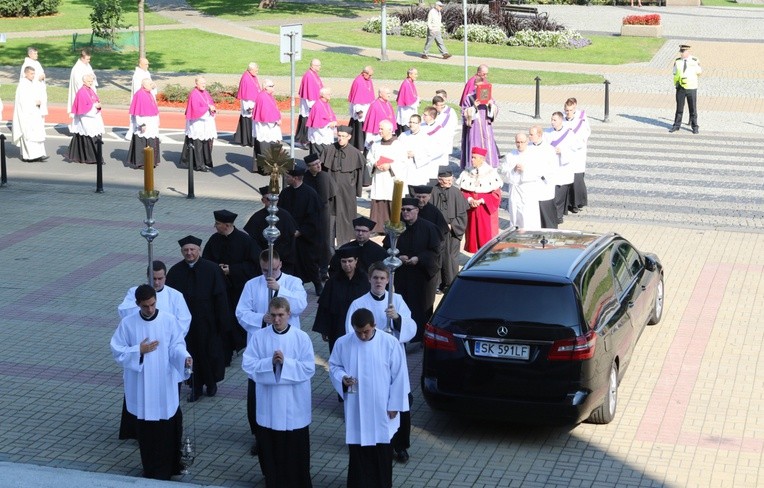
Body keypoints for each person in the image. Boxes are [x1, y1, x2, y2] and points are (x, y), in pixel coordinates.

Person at [110, 284, 192, 480]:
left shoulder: (169, 320)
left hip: (164, 383)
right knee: (148, 435)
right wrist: (138, 351)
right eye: (145, 306)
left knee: (167, 429)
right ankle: (152, 470)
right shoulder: (128, 324)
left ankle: (171, 466)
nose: (150, 309)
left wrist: (184, 358)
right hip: (142, 385)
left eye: (153, 304)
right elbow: (116, 349)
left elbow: (176, 346)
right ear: (138, 304)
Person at [236, 250, 307, 457]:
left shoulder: (293, 282)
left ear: (280, 264)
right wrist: (261, 319)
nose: (270, 274)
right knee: (257, 396)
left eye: (274, 269)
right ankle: (260, 436)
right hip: (262, 345)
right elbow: (241, 312)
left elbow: (301, 306)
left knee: (286, 393)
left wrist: (280, 288)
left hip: (289, 346)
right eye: (265, 270)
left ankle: (287, 432)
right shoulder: (252, 285)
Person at [345, 262, 416, 464]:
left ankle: (400, 446)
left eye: (382, 278)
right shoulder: (358, 304)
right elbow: (350, 333)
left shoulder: (397, 301)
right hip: (367, 362)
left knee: (399, 401)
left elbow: (411, 327)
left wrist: (397, 319)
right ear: (369, 279)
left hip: (392, 359)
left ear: (388, 280)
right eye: (375, 277)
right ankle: (365, 441)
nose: (378, 281)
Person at [329, 307, 408, 488]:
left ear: (374, 325)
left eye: (366, 331)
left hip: (382, 406)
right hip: (357, 404)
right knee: (358, 450)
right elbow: (334, 366)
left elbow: (399, 375)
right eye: (358, 332)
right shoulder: (343, 343)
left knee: (381, 449)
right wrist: (343, 378)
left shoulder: (389, 343)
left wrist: (395, 404)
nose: (363, 336)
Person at [242, 297, 314, 488]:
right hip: (269, 403)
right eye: (273, 315)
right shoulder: (259, 336)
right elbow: (247, 364)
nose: (276, 320)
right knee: (271, 449)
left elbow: (308, 368)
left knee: (295, 450)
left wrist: (286, 364)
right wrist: (269, 363)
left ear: (289, 314)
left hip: (294, 404)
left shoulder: (301, 337)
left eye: (281, 315)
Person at [116, 261, 192, 441]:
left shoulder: (174, 298)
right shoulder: (133, 305)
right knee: (143, 412)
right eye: (153, 279)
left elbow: (179, 334)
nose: (157, 282)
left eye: (160, 278)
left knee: (168, 408)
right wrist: (138, 350)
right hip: (142, 371)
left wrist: (184, 358)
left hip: (164, 365)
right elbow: (118, 346)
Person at [165, 235, 229, 402]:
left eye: (192, 249)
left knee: (209, 353)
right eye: (186, 250)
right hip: (185, 325)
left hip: (208, 321)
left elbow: (221, 296)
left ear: (199, 250)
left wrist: (222, 321)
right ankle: (196, 386)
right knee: (190, 355)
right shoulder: (175, 271)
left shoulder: (212, 269)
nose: (189, 253)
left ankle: (211, 383)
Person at [202, 209, 262, 366]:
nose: (215, 226)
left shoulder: (245, 241)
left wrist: (232, 270)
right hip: (218, 289)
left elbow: (254, 264)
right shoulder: (214, 240)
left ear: (227, 225)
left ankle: (236, 345)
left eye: (217, 224)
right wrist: (217, 269)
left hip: (237, 289)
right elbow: (206, 261)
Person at [383, 197, 441, 343]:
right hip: (403, 274)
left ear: (417, 210)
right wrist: (397, 255)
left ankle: (421, 337)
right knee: (403, 305)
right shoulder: (397, 228)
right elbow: (386, 247)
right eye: (402, 209)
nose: (405, 212)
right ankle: (404, 334)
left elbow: (435, 252)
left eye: (408, 209)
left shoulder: (428, 228)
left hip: (422, 275)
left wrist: (419, 258)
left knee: (422, 307)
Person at [312, 245, 369, 354]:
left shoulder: (364, 281)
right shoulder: (332, 283)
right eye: (344, 261)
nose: (347, 264)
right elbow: (325, 307)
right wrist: (325, 329)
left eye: (350, 261)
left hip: (360, 327)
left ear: (356, 261)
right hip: (337, 327)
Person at [278, 165, 324, 295]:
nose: (286, 179)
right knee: (292, 263)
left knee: (309, 263)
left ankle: (317, 284)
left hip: (305, 237)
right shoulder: (285, 193)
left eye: (288, 177)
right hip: (289, 235)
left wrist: (301, 231)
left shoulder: (310, 194)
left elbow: (314, 218)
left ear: (296, 178)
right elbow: (281, 212)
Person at [319, 125, 366, 246]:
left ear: (349, 137)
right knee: (330, 217)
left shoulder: (355, 153)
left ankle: (344, 244)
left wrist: (356, 191)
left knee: (346, 217)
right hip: (330, 190)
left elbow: (360, 174)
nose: (340, 139)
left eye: (343, 136)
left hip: (346, 192)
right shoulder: (329, 150)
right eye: (339, 136)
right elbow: (321, 171)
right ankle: (328, 245)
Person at [456, 147, 503, 253]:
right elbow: (462, 190)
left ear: (482, 159)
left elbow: (496, 194)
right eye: (472, 157)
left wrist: (482, 200)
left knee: (486, 237)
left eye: (474, 158)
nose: (471, 160)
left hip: (485, 210)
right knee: (473, 236)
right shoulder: (468, 171)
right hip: (471, 209)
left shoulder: (490, 172)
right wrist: (469, 199)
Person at [243, 186, 298, 274]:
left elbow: (290, 239)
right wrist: (264, 255)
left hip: (283, 260)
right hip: (262, 259)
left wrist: (276, 256)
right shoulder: (257, 217)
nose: (272, 202)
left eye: (274, 199)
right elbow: (252, 241)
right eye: (269, 199)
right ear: (263, 200)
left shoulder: (285, 216)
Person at [366, 119, 407, 233]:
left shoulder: (398, 144)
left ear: (390, 130)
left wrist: (390, 166)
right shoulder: (376, 144)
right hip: (379, 177)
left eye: (381, 129)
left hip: (391, 178)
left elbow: (403, 161)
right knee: (378, 200)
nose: (379, 131)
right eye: (379, 128)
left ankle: (392, 227)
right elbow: (369, 158)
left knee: (391, 200)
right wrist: (374, 164)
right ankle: (376, 227)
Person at [431, 170, 469, 291]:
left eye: (450, 180)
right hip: (436, 232)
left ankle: (450, 284)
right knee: (436, 256)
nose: (449, 182)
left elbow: (463, 214)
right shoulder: (432, 192)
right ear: (439, 180)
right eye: (446, 181)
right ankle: (436, 284)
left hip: (452, 233)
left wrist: (453, 225)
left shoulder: (456, 192)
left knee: (451, 258)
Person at [303, 153, 336, 279]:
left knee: (324, 241)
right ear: (308, 167)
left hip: (323, 213)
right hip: (310, 214)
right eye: (314, 165)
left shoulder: (325, 176)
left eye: (319, 163)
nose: (318, 166)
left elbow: (330, 195)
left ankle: (323, 269)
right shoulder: (305, 178)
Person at [500, 132, 542, 229]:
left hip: (528, 189)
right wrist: (513, 170)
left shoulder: (533, 155)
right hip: (515, 190)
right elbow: (504, 171)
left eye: (522, 142)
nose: (520, 144)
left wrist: (525, 171)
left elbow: (538, 172)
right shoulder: (510, 155)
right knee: (515, 213)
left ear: (527, 141)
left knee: (528, 215)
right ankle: (515, 233)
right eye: (517, 142)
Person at [460, 71, 499, 169]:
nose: (479, 89)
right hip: (474, 128)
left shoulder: (488, 96)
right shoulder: (469, 98)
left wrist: (490, 106)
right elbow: (464, 113)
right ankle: (473, 167)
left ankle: (489, 166)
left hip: (486, 127)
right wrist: (474, 107)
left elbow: (495, 111)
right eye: (477, 87)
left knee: (487, 145)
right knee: (475, 146)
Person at [543, 111, 577, 224]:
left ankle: (558, 215)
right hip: (551, 167)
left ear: (561, 120)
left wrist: (562, 151)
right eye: (551, 119)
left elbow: (574, 149)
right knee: (551, 193)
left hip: (563, 167)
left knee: (560, 195)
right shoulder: (546, 133)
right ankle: (552, 214)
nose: (552, 122)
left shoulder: (569, 133)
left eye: (555, 120)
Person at [181, 77, 217, 172]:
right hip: (197, 124)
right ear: (196, 84)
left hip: (205, 123)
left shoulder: (205, 92)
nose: (204, 85)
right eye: (202, 83)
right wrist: (208, 109)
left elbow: (210, 103)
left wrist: (212, 108)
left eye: (205, 83)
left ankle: (205, 162)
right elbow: (196, 110)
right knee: (198, 145)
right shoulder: (194, 94)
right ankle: (199, 165)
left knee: (205, 143)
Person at [13, 66, 48, 162]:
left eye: (34, 74)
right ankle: (29, 156)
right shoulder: (23, 85)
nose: (33, 76)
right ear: (26, 73)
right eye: (31, 74)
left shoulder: (31, 83)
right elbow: (22, 101)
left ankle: (38, 154)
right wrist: (34, 103)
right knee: (29, 135)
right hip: (27, 115)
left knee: (37, 134)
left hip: (34, 113)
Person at [67, 73, 104, 165]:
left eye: (92, 81)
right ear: (84, 81)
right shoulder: (82, 92)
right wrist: (95, 106)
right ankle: (92, 158)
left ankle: (90, 157)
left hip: (93, 117)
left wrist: (98, 105)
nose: (90, 83)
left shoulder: (90, 90)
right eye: (89, 81)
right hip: (86, 118)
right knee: (89, 137)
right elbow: (83, 107)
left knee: (93, 136)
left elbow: (94, 101)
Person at [562, 98, 590, 214]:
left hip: (577, 153)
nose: (568, 112)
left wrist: (574, 145)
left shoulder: (581, 118)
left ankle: (576, 203)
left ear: (575, 108)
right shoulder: (562, 118)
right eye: (567, 110)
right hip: (565, 154)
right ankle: (567, 202)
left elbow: (585, 134)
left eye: (571, 110)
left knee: (577, 180)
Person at [528, 125, 559, 229]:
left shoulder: (549, 149)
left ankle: (550, 228)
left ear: (539, 135)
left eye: (532, 134)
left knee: (546, 208)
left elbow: (553, 166)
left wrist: (544, 175)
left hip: (545, 184)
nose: (529, 136)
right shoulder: (527, 147)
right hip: (532, 183)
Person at [127, 78, 161, 169]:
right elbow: (137, 112)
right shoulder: (140, 94)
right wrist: (141, 124)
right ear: (144, 85)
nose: (151, 85)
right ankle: (142, 163)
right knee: (143, 142)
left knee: (152, 141)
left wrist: (157, 119)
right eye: (150, 84)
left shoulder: (149, 92)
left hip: (151, 122)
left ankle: (152, 161)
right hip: (144, 122)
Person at [670, 44, 702, 134]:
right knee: (679, 108)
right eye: (681, 52)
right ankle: (676, 125)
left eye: (683, 52)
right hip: (680, 87)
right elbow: (674, 72)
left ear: (688, 52)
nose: (681, 53)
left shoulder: (695, 61)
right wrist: (677, 84)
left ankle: (695, 126)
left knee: (693, 108)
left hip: (691, 87)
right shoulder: (677, 61)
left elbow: (699, 72)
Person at [399, 114, 435, 186]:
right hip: (405, 169)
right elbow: (396, 149)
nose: (411, 124)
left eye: (414, 123)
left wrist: (415, 154)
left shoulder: (425, 137)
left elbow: (429, 154)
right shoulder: (403, 135)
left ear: (419, 124)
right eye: (410, 122)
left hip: (418, 170)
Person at [295, 58, 323, 147]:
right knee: (306, 121)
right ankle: (304, 140)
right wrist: (312, 105)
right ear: (313, 66)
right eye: (318, 65)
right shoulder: (309, 76)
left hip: (313, 102)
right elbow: (309, 91)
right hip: (309, 103)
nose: (320, 67)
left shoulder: (313, 74)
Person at [252, 79, 282, 160]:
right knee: (266, 150)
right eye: (271, 86)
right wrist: (276, 121)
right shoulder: (263, 97)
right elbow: (266, 114)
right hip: (266, 128)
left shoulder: (267, 95)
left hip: (268, 127)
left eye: (273, 86)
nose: (273, 88)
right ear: (265, 88)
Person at [347, 66, 375, 152]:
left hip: (367, 108)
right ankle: (358, 146)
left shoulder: (368, 80)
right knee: (358, 129)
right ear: (364, 73)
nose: (370, 77)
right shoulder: (358, 81)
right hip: (360, 110)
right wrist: (359, 111)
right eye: (369, 75)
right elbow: (356, 99)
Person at [233, 62, 260, 147]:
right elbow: (246, 94)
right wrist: (250, 106)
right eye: (256, 70)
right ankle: (248, 140)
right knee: (248, 120)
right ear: (251, 70)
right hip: (248, 102)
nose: (257, 72)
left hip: (251, 101)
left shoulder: (251, 76)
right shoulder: (246, 78)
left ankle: (246, 139)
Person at [306, 87, 337, 157]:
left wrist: (334, 122)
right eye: (328, 94)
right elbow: (318, 122)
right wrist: (329, 123)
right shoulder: (318, 105)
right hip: (319, 134)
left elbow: (331, 115)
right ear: (323, 95)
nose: (330, 95)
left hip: (326, 132)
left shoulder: (326, 103)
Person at [67, 48, 96, 118]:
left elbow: (93, 75)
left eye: (89, 59)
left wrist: (92, 77)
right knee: (80, 115)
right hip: (82, 94)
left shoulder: (87, 65)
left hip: (89, 92)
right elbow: (78, 83)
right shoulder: (77, 68)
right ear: (82, 58)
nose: (89, 61)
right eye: (87, 59)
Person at [20, 47, 47, 117]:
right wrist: (38, 78)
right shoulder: (26, 65)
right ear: (29, 54)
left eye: (37, 53)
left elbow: (41, 73)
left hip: (40, 88)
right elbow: (26, 78)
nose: (37, 55)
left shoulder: (37, 63)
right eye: (35, 53)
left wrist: (43, 76)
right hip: (34, 90)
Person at [395, 68, 419, 135]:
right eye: (415, 74)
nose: (417, 76)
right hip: (406, 111)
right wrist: (416, 103)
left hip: (409, 110)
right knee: (406, 131)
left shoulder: (410, 82)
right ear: (410, 74)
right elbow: (407, 101)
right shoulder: (406, 84)